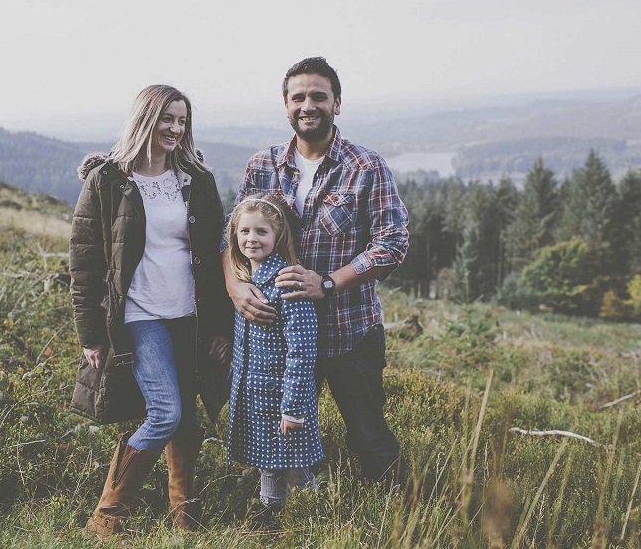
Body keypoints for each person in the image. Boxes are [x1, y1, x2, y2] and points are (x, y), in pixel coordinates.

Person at [223, 57, 410, 485]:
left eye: (318, 96)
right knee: (273, 436)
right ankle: (286, 514)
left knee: (368, 435)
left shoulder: (367, 166)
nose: (308, 105)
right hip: (277, 340)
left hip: (348, 331)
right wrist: (235, 287)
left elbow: (392, 243)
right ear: (286, 106)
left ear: (337, 104)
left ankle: (401, 515)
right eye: (298, 97)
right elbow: (229, 237)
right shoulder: (262, 166)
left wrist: (327, 282)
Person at [70, 84, 232, 537]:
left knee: (187, 418)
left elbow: (217, 257)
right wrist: (91, 336)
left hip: (190, 316)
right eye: (167, 119)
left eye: (182, 121)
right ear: (145, 119)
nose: (176, 129)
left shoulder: (196, 180)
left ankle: (185, 519)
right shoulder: (107, 181)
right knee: (165, 412)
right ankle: (106, 518)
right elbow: (84, 263)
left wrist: (221, 327)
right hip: (140, 316)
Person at [225, 193, 323, 526]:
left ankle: (312, 513)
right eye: (245, 232)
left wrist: (293, 408)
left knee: (293, 460)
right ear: (235, 236)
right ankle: (270, 512)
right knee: (267, 458)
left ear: (277, 236)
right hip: (256, 395)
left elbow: (303, 349)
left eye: (261, 232)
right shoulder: (245, 281)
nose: (252, 239)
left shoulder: (286, 282)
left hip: (282, 396)